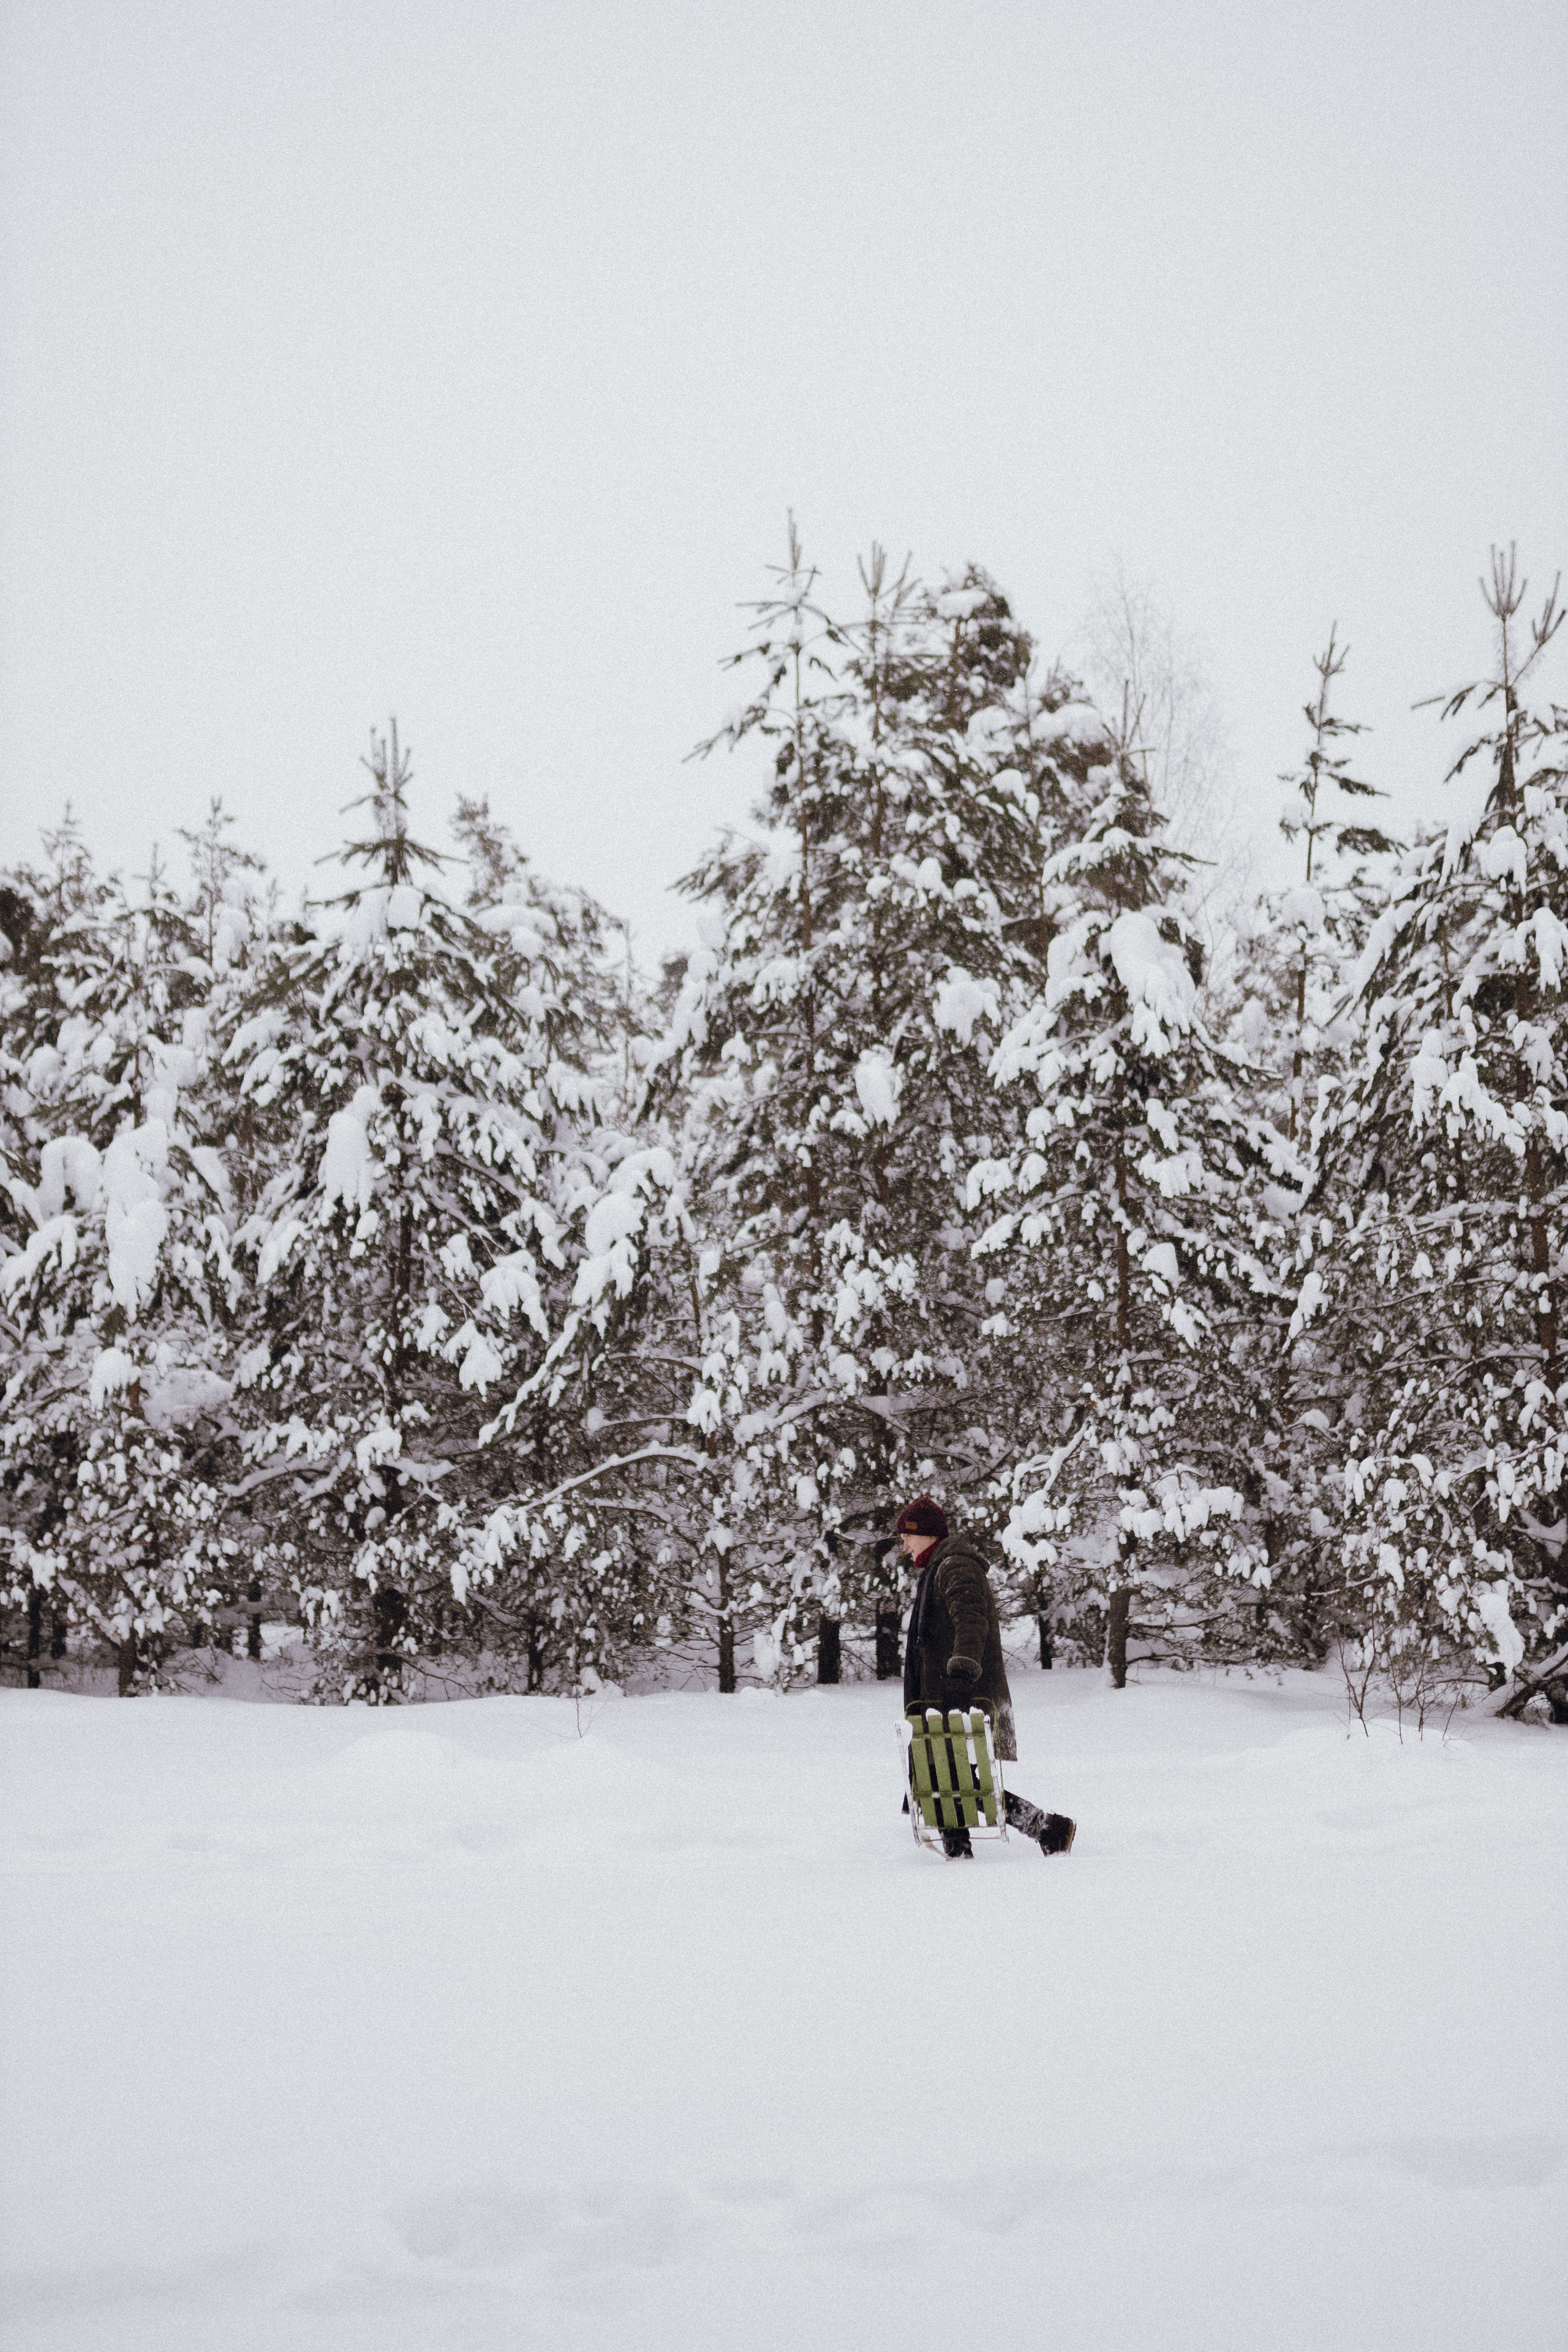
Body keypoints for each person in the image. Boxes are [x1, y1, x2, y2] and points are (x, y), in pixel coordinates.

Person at [897, 1494, 1076, 1860]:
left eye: (908, 1535)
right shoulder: (938, 1568)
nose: (904, 1544)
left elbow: (971, 1622)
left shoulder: (955, 1567)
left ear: (928, 1534)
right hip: (943, 1696)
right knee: (945, 1778)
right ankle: (1036, 1832)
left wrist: (961, 1676)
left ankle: (1037, 1831)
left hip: (961, 1695)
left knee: (950, 1778)